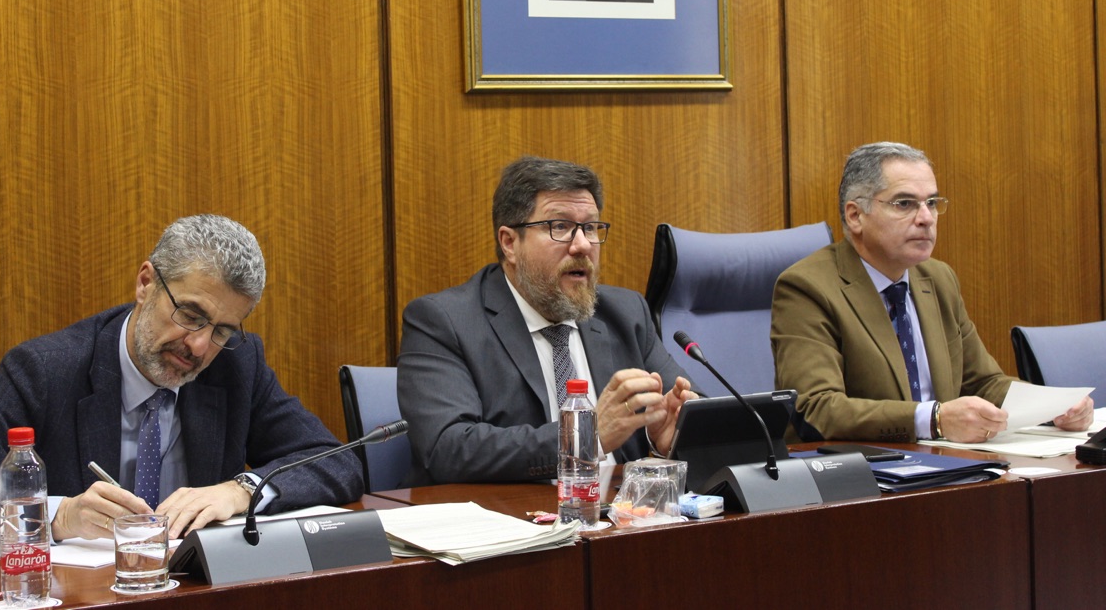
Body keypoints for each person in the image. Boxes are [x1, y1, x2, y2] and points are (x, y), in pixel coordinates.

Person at [0, 214, 363, 547]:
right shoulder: (45, 370)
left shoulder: (237, 366)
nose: (199, 346)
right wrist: (58, 516)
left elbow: (336, 462)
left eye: (221, 331)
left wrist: (242, 489)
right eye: (190, 314)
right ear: (145, 283)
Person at [397, 156, 698, 485]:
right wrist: (585, 437)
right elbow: (447, 448)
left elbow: (697, 414)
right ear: (510, 243)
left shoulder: (625, 313)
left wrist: (670, 437)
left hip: (616, 510)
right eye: (560, 227)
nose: (582, 245)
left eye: (590, 227)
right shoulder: (445, 322)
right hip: (510, 513)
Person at [771, 142, 1093, 443]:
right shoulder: (807, 288)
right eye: (905, 204)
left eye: (932, 203)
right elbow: (817, 409)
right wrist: (934, 419)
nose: (926, 218)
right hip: (865, 470)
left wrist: (1055, 407)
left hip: (947, 461)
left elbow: (982, 383)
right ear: (856, 216)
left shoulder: (937, 278)